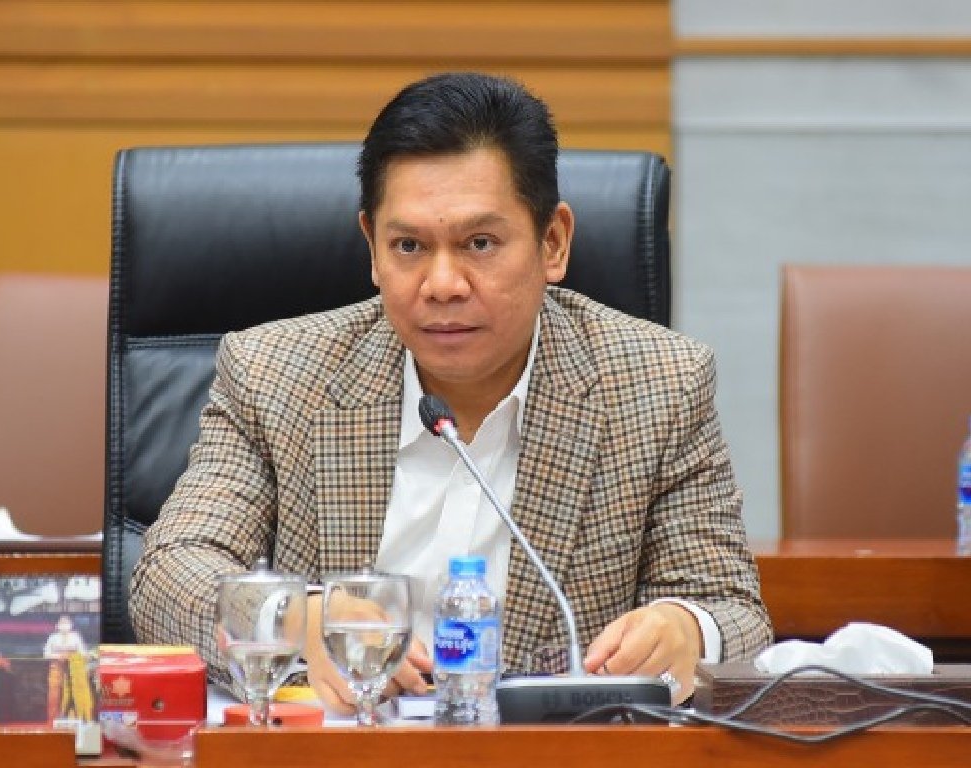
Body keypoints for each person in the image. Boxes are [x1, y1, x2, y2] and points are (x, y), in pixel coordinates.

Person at [129, 72, 772, 712]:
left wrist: (687, 630)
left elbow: (735, 611)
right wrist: (298, 618)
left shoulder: (658, 384)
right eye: (408, 246)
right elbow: (169, 575)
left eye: (479, 244)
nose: (442, 284)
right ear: (373, 249)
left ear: (552, 242)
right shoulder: (276, 375)